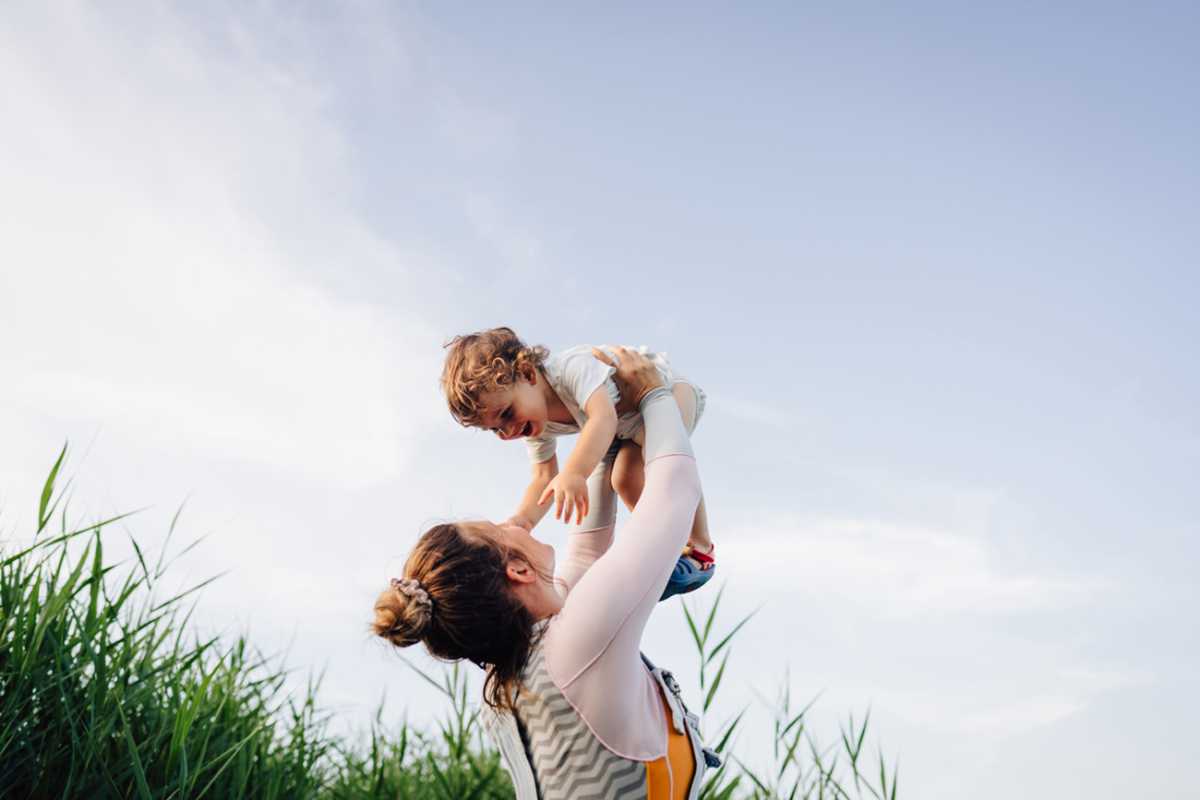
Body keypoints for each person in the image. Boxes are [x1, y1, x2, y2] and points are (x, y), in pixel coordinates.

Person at [374, 346, 717, 799]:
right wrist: (653, 394)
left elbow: (588, 550)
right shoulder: (577, 645)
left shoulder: (514, 678)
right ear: (516, 569)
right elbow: (674, 494)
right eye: (498, 528)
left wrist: (607, 433)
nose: (512, 521)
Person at [440, 326, 714, 599]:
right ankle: (669, 548)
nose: (508, 431)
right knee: (624, 479)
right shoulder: (534, 423)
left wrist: (575, 473)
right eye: (495, 429)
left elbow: (602, 419)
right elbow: (543, 476)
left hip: (668, 390)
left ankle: (701, 548)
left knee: (655, 465)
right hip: (631, 423)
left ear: (527, 373)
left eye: (507, 414)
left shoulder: (571, 368)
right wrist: (522, 521)